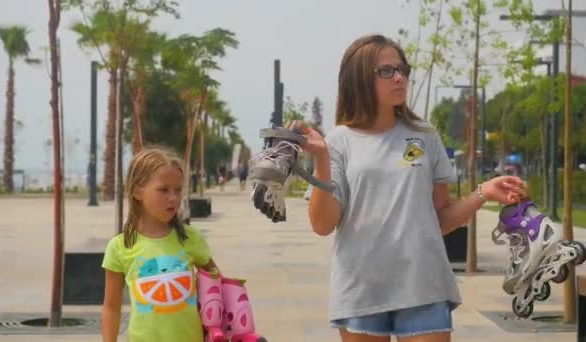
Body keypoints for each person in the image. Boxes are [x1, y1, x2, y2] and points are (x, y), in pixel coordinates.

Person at [293, 34, 526, 342]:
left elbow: (439, 219)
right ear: (359, 78)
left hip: (423, 284)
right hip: (361, 290)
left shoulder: (425, 136)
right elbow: (323, 224)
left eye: (402, 69)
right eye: (387, 71)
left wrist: (483, 193)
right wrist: (321, 157)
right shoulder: (338, 141)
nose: (400, 78)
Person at [101, 146, 265, 342]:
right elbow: (111, 307)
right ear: (137, 191)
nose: (173, 198)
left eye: (178, 190)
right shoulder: (119, 247)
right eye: (163, 190)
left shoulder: (190, 238)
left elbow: (218, 290)